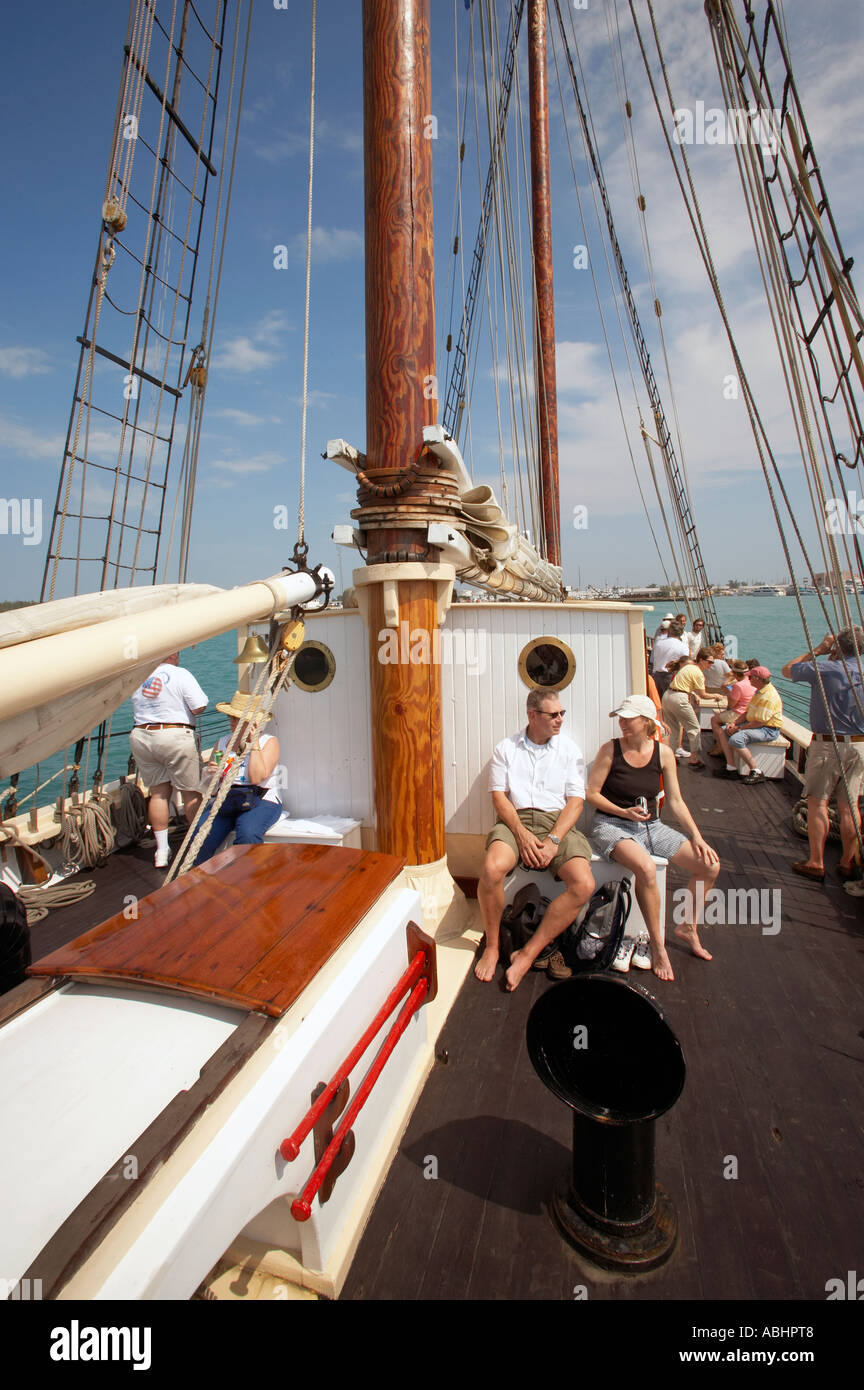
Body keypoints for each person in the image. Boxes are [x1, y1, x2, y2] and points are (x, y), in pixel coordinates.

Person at [587, 694, 720, 981]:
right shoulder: (610, 750)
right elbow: (592, 793)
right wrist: (623, 811)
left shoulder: (663, 753)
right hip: (611, 825)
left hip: (651, 826)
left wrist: (697, 836)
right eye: (620, 718)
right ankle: (659, 946)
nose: (621, 723)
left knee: (709, 865)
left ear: (646, 722)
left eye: (628, 718)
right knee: (646, 867)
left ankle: (688, 927)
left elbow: (675, 801)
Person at [475, 688, 595, 991]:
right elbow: (499, 798)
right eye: (553, 715)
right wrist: (521, 833)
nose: (560, 720)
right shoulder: (506, 748)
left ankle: (527, 954)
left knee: (584, 884)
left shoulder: (569, 750)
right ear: (532, 715)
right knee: (491, 870)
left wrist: (554, 840)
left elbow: (576, 802)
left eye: (561, 713)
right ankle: (491, 946)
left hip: (557, 822)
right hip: (515, 820)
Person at [782, 628, 864, 883]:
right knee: (850, 807)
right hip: (860, 746)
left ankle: (816, 861)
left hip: (829, 745)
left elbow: (788, 670)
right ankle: (847, 862)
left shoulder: (825, 669)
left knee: (818, 803)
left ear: (837, 648)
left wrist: (819, 650)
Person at [130, 652, 208, 868]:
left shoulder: (140, 676)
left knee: (158, 794)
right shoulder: (180, 674)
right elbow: (199, 706)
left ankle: (162, 851)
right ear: (172, 654)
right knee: (190, 792)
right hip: (174, 735)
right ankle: (198, 845)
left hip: (142, 736)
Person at [193, 691, 283, 864]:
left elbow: (257, 777)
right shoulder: (222, 742)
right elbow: (209, 789)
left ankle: (248, 876)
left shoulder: (269, 742)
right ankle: (199, 879)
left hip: (261, 799)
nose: (232, 723)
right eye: (231, 718)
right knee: (202, 832)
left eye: (237, 719)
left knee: (248, 832)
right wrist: (211, 774)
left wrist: (253, 743)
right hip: (228, 798)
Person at [712, 665, 782, 783]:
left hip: (768, 729)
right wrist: (733, 723)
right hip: (755, 724)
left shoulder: (769, 696)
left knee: (736, 739)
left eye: (750, 678)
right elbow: (747, 712)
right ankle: (731, 768)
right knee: (723, 731)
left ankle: (756, 771)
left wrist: (738, 729)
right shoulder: (759, 692)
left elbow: (760, 722)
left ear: (758, 679)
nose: (748, 680)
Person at [662, 650, 714, 769]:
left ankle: (670, 757)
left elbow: (684, 683)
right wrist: (716, 696)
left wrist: (693, 694)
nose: (711, 665)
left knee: (672, 729)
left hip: (668, 696)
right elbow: (703, 694)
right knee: (694, 729)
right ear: (701, 660)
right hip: (679, 699)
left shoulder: (688, 667)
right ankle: (694, 759)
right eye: (709, 662)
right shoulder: (699, 673)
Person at [707, 660, 755, 756]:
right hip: (747, 712)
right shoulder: (751, 683)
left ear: (735, 674)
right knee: (720, 717)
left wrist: (728, 691)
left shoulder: (738, 685)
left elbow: (731, 705)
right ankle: (720, 745)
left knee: (714, 720)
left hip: (738, 713)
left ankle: (720, 747)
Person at [651, 621, 689, 696]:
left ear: (669, 631)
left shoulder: (659, 643)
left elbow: (654, 658)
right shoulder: (683, 646)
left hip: (657, 676)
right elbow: (685, 665)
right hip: (671, 677)